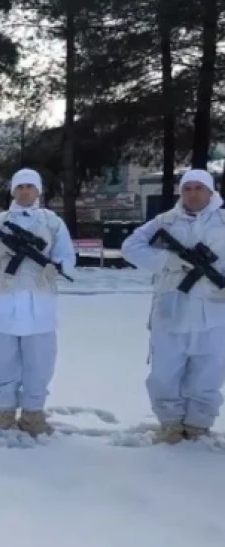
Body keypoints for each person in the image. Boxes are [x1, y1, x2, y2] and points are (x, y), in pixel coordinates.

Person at [0, 168, 75, 437]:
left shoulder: (52, 223)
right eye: (20, 187)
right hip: (3, 304)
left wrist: (58, 267)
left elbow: (67, 256)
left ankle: (33, 412)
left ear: (38, 191)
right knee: (3, 362)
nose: (25, 192)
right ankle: (3, 410)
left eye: (30, 187)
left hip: (40, 306)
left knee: (40, 363)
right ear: (13, 191)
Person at [121, 169, 225, 443]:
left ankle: (198, 425)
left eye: (199, 188)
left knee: (208, 373)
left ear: (211, 191)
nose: (193, 194)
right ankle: (169, 424)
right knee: (164, 373)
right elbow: (131, 247)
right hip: (171, 309)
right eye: (187, 188)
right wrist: (169, 261)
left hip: (213, 312)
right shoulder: (165, 221)